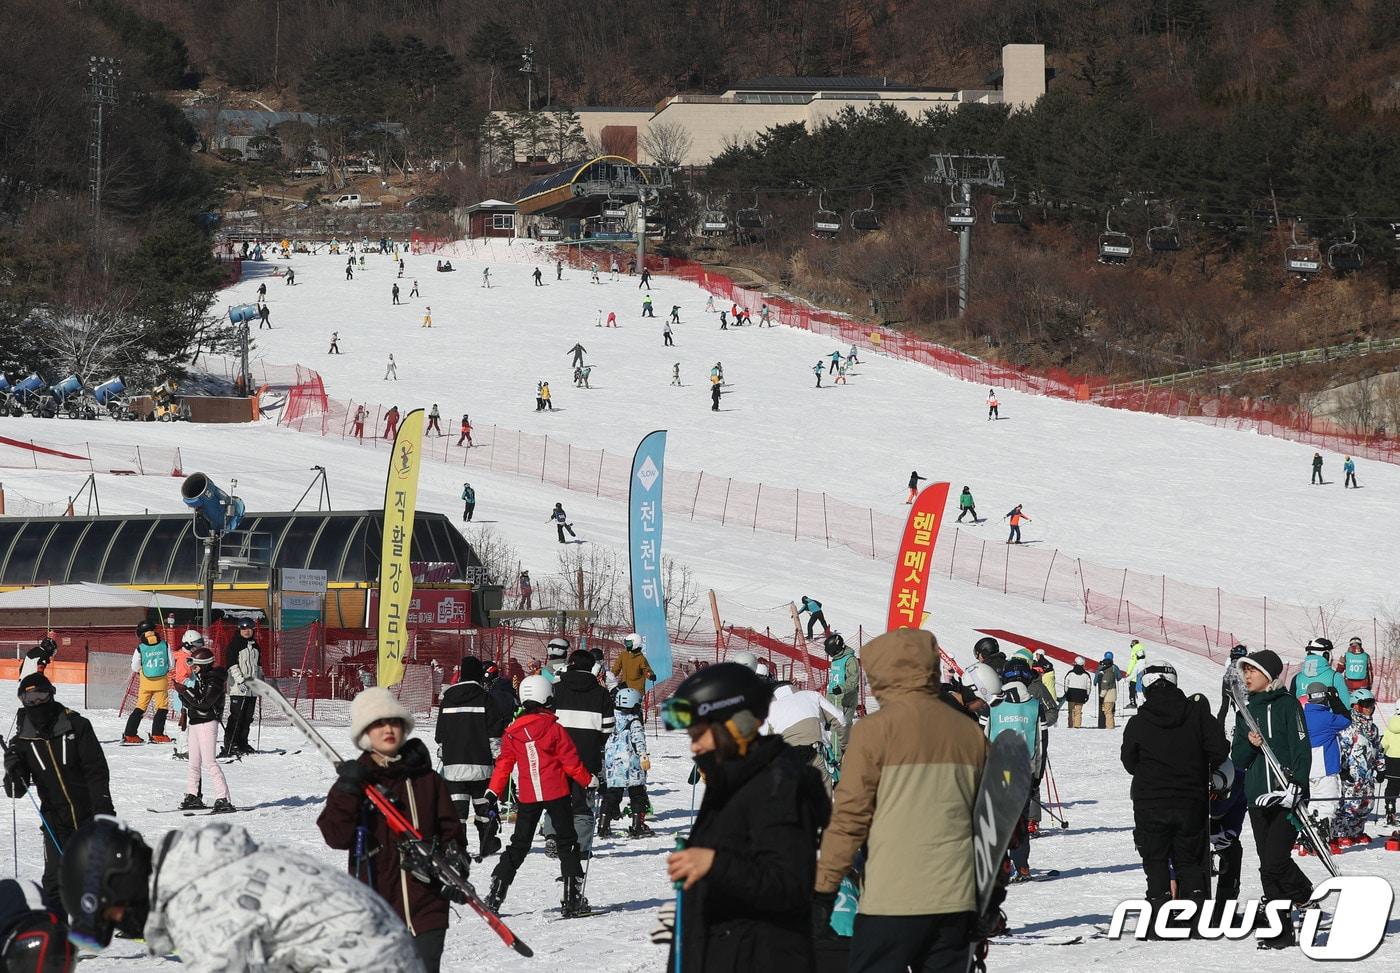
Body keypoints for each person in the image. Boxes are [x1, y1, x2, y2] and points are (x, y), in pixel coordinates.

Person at [813, 630, 983, 972]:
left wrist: (824, 887)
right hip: (955, 898)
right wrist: (989, 897)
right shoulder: (969, 733)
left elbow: (849, 817)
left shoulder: (874, 731)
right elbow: (990, 821)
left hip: (892, 896)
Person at [62, 816, 423, 971]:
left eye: (115, 914)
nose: (127, 924)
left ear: (122, 880)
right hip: (384, 954)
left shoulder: (199, 904)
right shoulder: (207, 866)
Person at [662, 663, 828, 971]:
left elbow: (789, 886)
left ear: (736, 725)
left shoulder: (779, 786)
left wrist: (714, 864)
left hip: (763, 958)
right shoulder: (731, 781)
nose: (694, 745)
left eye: (700, 734)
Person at [319, 687, 463, 971]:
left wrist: (455, 863)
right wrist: (347, 791)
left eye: (394, 722)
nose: (388, 729)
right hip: (378, 906)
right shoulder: (356, 782)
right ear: (364, 733)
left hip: (427, 907)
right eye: (378, 723)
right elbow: (336, 836)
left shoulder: (427, 779)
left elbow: (451, 830)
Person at [1120, 661, 1229, 932]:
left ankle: (1159, 917)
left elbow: (1129, 761)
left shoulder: (1139, 721)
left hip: (1150, 801)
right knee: (1190, 859)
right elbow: (1219, 750)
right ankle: (1196, 917)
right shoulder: (1197, 714)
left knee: (1155, 860)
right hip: (1190, 800)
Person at [3, 673, 114, 910]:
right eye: (29, 698)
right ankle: (58, 935)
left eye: (41, 696)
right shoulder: (23, 740)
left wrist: (104, 809)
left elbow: (96, 771)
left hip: (89, 814)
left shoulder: (77, 726)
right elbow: (16, 790)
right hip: (55, 820)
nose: (36, 703)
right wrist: (13, 768)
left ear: (51, 694)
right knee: (54, 882)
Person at [484, 676, 593, 917]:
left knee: (519, 845)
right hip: (557, 793)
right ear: (546, 698)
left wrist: (493, 790)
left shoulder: (512, 733)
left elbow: (504, 765)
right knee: (567, 842)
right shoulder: (554, 729)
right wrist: (589, 780)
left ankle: (495, 894)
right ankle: (572, 899)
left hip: (529, 796)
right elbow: (571, 763)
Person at [1230, 649, 1315, 950]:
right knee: (1268, 866)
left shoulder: (1287, 705)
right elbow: (1237, 759)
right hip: (1257, 798)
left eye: (1251, 670)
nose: (1246, 676)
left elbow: (1302, 748)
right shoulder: (1245, 711)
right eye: (1244, 671)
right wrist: (1251, 746)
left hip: (1286, 796)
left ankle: (1305, 894)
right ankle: (1281, 932)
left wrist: (1298, 785)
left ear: (1268, 674)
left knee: (1276, 861)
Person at [543, 650, 615, 859]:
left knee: (556, 796)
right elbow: (608, 727)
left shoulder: (555, 689)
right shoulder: (601, 693)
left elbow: (545, 721)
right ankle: (582, 847)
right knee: (582, 801)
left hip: (557, 755)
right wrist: (594, 743)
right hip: (587, 756)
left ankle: (553, 836)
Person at [436, 656, 507, 859]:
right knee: (482, 805)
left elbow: (441, 733)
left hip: (453, 765)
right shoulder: (485, 698)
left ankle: (456, 847)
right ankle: (488, 842)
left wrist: (444, 750)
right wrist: (497, 756)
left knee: (457, 809)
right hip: (480, 763)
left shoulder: (448, 698)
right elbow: (494, 732)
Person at [985, 656, 1049, 879]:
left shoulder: (993, 704)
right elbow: (1041, 744)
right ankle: (1022, 866)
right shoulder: (1034, 705)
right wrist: (1037, 777)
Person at [172, 640, 235, 813]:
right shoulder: (202, 678)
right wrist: (182, 693)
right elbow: (194, 701)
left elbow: (204, 703)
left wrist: (185, 691)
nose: (192, 667)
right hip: (195, 722)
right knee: (193, 762)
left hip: (207, 722)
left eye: (195, 664)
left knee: (209, 762)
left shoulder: (214, 680)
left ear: (204, 665)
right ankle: (193, 795)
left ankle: (223, 798)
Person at [763, 680, 845, 793]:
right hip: (816, 752)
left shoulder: (769, 710)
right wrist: (844, 745)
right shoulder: (812, 696)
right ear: (793, 686)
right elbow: (840, 719)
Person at [1301, 682, 1350, 848]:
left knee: (1314, 802)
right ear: (1324, 697)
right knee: (1329, 802)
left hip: (1307, 767)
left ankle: (1308, 835)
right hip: (1326, 767)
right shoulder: (1328, 718)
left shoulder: (1301, 716)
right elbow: (1346, 720)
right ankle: (1321, 835)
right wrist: (1335, 700)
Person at [599, 687, 651, 837]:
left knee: (612, 794)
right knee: (637, 794)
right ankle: (637, 825)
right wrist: (643, 756)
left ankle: (603, 825)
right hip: (632, 765)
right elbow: (638, 740)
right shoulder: (634, 721)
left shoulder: (610, 718)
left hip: (614, 765)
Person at [1333, 688, 1380, 844]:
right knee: (1349, 805)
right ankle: (1341, 833)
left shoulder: (1373, 728)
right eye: (1366, 704)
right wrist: (1342, 769)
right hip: (1352, 775)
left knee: (1366, 804)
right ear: (1356, 705)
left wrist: (1381, 768)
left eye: (1371, 704)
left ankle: (1356, 832)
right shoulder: (1348, 726)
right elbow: (1341, 748)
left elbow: (1377, 749)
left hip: (1367, 775)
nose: (1369, 708)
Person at [1208, 762, 1247, 923]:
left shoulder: (1237, 778)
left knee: (1231, 848)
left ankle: (1224, 910)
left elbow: (1220, 812)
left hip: (1224, 776)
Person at [122, 621, 172, 745]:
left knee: (140, 707)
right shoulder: (165, 645)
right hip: (161, 682)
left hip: (146, 682)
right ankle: (157, 734)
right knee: (161, 707)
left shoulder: (140, 648)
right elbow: (171, 664)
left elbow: (134, 667)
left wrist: (142, 671)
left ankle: (130, 734)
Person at [219, 619, 262, 759]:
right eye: (244, 629)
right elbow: (232, 665)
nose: (247, 631)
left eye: (249, 628)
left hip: (252, 688)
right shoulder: (234, 645)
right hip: (238, 688)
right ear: (239, 630)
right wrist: (240, 680)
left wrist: (261, 681)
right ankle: (231, 743)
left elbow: (258, 667)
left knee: (247, 717)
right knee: (237, 716)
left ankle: (243, 742)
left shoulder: (256, 646)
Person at [823, 633, 859, 755]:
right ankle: (837, 753)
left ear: (837, 650)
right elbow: (833, 681)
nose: (830, 655)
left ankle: (839, 758)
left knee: (840, 728)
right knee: (833, 728)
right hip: (834, 697)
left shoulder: (850, 660)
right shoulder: (836, 659)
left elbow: (853, 681)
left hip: (845, 699)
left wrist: (842, 688)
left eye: (831, 652)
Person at [1288, 637, 1350, 706]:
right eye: (1330, 653)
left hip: (1301, 716)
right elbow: (1346, 706)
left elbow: (1290, 706)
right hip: (1329, 716)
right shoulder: (1335, 677)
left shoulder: (1297, 678)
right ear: (1326, 655)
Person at [1216, 644, 1248, 724]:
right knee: (1241, 709)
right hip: (1233, 687)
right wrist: (1247, 694)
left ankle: (1219, 726)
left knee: (1225, 707)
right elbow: (1239, 680)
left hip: (1227, 684)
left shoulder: (1232, 663)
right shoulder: (1239, 665)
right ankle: (1241, 727)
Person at [1062, 656, 1092, 728]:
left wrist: (1066, 692)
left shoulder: (1070, 673)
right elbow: (1089, 686)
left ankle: (1071, 725)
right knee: (1078, 711)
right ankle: (1077, 725)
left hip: (1071, 694)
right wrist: (1087, 694)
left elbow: (1066, 683)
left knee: (1071, 711)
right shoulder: (1086, 675)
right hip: (1081, 694)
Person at [1095, 651, 1121, 729]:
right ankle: (1110, 723)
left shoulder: (1101, 666)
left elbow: (1097, 676)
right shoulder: (1114, 667)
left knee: (1105, 707)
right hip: (1113, 689)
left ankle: (1106, 724)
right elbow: (1119, 677)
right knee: (1111, 707)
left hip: (1103, 688)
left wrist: (1095, 682)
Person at [1384, 705, 1400, 826]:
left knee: (1392, 787)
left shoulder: (1390, 727)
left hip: (1392, 762)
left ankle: (1390, 809)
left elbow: (1383, 745)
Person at [1125, 639, 1147, 710]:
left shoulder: (1134, 650)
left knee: (1132, 687)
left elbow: (1132, 662)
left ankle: (1133, 702)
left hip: (1136, 671)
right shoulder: (1142, 648)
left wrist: (1128, 672)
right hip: (1142, 671)